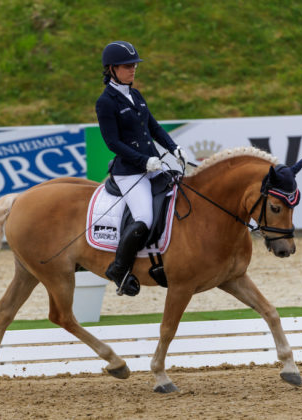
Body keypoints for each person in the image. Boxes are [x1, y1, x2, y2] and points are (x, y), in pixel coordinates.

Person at [95, 40, 187, 296]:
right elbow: (112, 142)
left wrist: (173, 147)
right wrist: (142, 160)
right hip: (130, 172)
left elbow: (154, 127)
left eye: (134, 65)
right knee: (144, 217)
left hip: (153, 166)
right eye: (127, 66)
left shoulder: (135, 94)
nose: (133, 69)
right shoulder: (106, 102)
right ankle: (119, 269)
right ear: (111, 69)